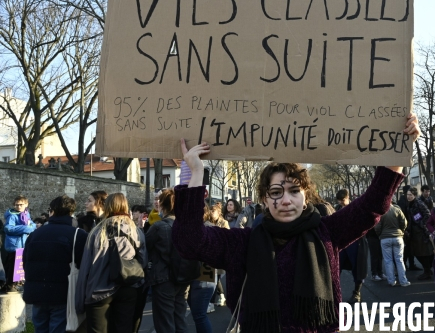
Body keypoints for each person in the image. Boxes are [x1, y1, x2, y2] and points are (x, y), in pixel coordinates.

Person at [172, 115, 420, 332]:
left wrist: (399, 147)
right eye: (277, 192)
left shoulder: (328, 233)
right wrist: (194, 175)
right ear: (265, 199)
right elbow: (190, 241)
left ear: (305, 197)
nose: (286, 200)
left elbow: (373, 204)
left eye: (293, 191)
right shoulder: (242, 243)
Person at [76, 193, 147, 333]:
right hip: (127, 286)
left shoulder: (97, 231)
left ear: (107, 207)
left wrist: (80, 301)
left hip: (98, 289)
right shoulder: (136, 231)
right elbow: (142, 262)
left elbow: (85, 267)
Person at [23, 195, 88, 333]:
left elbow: (25, 262)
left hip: (37, 293)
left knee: (40, 329)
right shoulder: (78, 234)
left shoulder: (35, 234)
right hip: (63, 293)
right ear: (71, 212)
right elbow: (84, 265)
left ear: (51, 211)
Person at [145, 189, 188, 333]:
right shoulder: (186, 227)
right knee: (179, 320)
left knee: (165, 323)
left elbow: (145, 247)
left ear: (163, 206)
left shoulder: (158, 227)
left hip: (163, 279)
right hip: (183, 278)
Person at [336, 189, 369, 303]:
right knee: (336, 267)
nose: (341, 202)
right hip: (342, 244)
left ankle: (356, 293)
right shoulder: (338, 209)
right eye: (339, 200)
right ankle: (334, 292)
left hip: (356, 242)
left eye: (343, 200)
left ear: (347, 197)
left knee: (357, 268)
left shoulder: (356, 209)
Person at [3, 195, 34, 293]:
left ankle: (16, 283)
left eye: (21, 204)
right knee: (12, 266)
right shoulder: (12, 215)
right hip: (14, 245)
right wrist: (25, 229)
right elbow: (8, 228)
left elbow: (31, 224)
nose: (19, 207)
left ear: (26, 204)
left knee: (19, 267)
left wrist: (31, 227)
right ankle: (9, 285)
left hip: (22, 244)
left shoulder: (26, 214)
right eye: (17, 205)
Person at [375, 202, 410, 287]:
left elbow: (377, 227)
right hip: (398, 237)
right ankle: (403, 281)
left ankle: (391, 281)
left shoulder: (381, 213)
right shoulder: (397, 210)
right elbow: (404, 223)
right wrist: (401, 231)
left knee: (388, 260)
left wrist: (380, 234)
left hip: (385, 238)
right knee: (399, 260)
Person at [405, 187, 434, 280]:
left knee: (422, 252)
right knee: (417, 252)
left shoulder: (419, 203)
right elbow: (411, 218)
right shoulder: (410, 204)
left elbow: (427, 214)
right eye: (407, 195)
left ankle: (427, 271)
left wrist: (420, 223)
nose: (408, 197)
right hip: (414, 231)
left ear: (415, 195)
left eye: (410, 195)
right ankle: (427, 269)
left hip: (420, 231)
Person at [398, 185, 420, 271]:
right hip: (408, 227)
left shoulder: (401, 202)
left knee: (406, 248)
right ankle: (410, 264)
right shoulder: (408, 202)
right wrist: (415, 221)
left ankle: (406, 264)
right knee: (408, 247)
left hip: (406, 227)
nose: (409, 196)